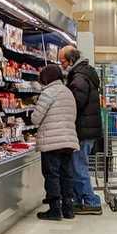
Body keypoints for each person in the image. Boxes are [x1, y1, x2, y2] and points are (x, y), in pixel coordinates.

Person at [59, 46, 103, 215]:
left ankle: (91, 201)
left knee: (78, 166)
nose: (61, 65)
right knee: (76, 165)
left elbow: (76, 103)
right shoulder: (83, 73)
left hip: (83, 130)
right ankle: (78, 200)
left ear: (71, 60)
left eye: (63, 61)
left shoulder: (79, 78)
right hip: (87, 128)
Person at [32, 64, 80, 220]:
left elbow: (35, 119)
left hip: (52, 141)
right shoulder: (68, 92)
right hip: (68, 140)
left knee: (52, 175)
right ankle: (68, 209)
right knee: (66, 175)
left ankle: (54, 210)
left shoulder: (48, 93)